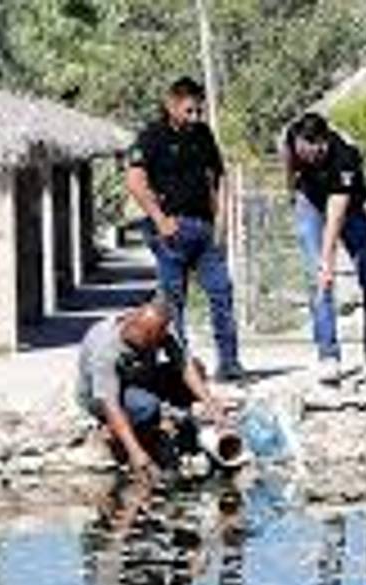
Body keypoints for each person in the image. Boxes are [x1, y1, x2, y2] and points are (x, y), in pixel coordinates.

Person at [127, 76, 245, 383]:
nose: (195, 117)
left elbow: (218, 177)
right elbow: (135, 182)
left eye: (198, 111)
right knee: (172, 301)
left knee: (222, 292)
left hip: (204, 228)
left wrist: (221, 222)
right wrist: (159, 219)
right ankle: (180, 368)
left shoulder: (203, 134)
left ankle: (230, 363)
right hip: (170, 230)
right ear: (171, 105)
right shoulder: (151, 137)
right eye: (189, 110)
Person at [281, 112, 366, 385]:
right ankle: (328, 355)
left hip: (348, 209)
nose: (304, 156)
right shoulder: (292, 140)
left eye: (309, 151)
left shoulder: (344, 156)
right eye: (300, 150)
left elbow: (335, 215)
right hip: (310, 202)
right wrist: (292, 192)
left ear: (323, 143)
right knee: (316, 280)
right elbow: (288, 162)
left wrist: (328, 261)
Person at [77, 297, 227, 479]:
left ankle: (183, 429)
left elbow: (184, 366)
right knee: (147, 405)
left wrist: (211, 406)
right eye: (148, 342)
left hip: (140, 379)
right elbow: (111, 404)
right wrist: (136, 453)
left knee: (197, 368)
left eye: (158, 340)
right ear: (137, 329)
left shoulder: (159, 327)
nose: (155, 346)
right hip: (102, 397)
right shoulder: (106, 348)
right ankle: (121, 436)